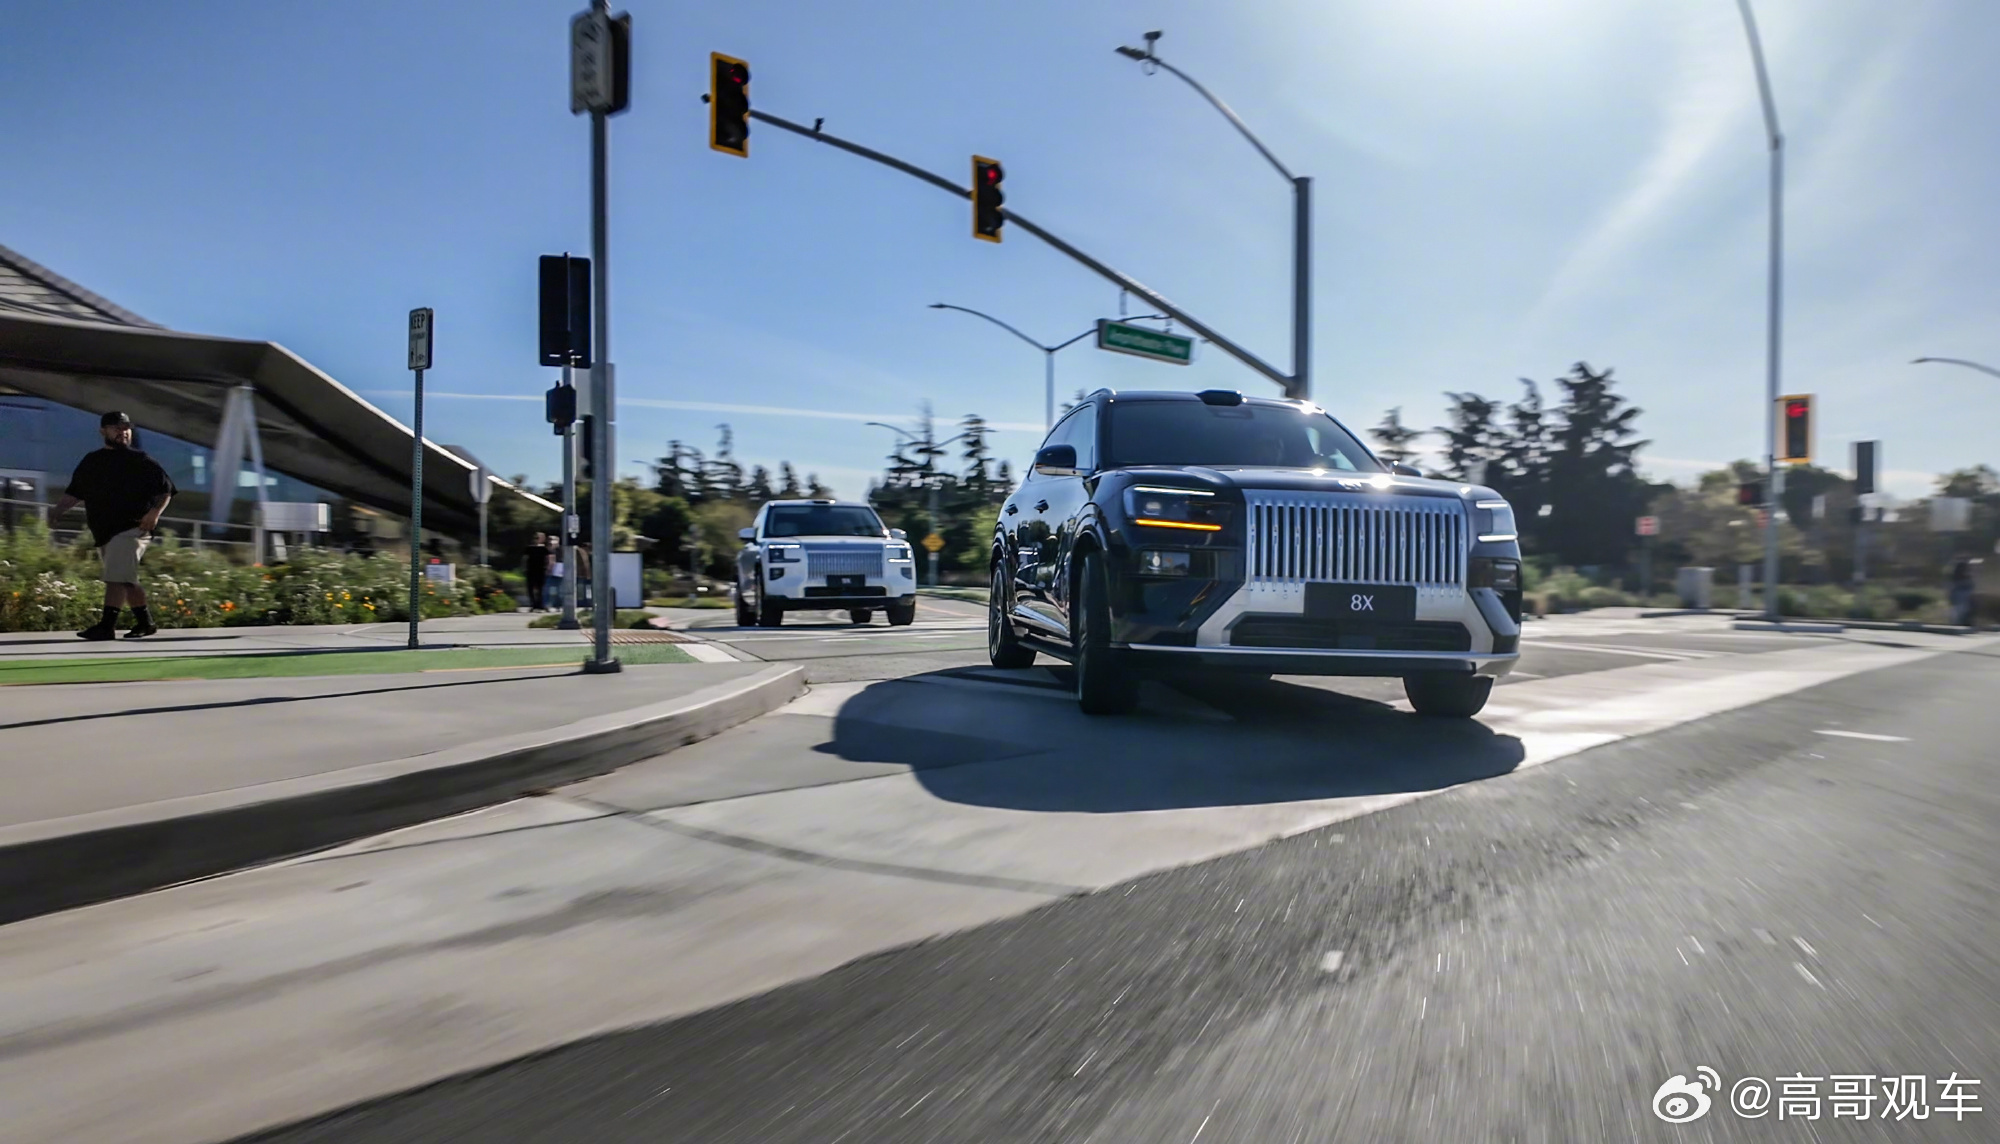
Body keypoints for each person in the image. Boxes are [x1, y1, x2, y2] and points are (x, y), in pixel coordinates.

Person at [50, 411, 177, 640]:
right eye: (116, 428)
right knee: (126, 578)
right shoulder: (92, 461)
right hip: (104, 532)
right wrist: (58, 510)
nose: (123, 432)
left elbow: (166, 491)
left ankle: (106, 627)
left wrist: (154, 514)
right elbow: (74, 492)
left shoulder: (142, 461)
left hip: (132, 528)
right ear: (103, 431)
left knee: (116, 578)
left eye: (126, 428)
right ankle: (145, 623)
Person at [523, 531, 551, 610]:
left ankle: (541, 604)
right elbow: (525, 559)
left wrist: (548, 568)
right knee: (530, 588)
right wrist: (524, 568)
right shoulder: (529, 548)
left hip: (541, 570)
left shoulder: (544, 548)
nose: (537, 539)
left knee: (541, 588)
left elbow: (548, 559)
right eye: (536, 538)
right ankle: (533, 604)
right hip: (531, 570)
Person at [1948, 556, 1975, 627]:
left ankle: (1961, 622)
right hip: (1961, 596)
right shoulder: (1962, 575)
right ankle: (1961, 623)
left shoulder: (1961, 578)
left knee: (1961, 612)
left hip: (1961, 596)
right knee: (1961, 611)